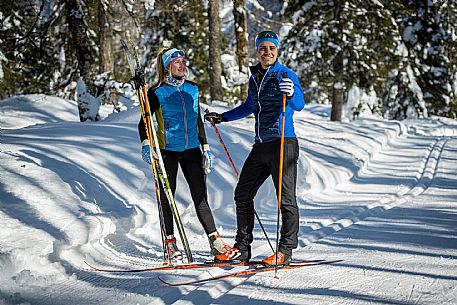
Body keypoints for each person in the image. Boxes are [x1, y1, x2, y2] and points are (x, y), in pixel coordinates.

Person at [205, 30, 305, 266]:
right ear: (257, 51)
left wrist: (290, 93)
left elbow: (299, 103)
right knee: (242, 193)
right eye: (262, 48)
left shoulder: (285, 74)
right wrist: (224, 117)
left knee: (286, 199)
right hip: (261, 145)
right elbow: (250, 105)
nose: (266, 52)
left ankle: (285, 251)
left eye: (271, 48)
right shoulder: (255, 78)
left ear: (277, 50)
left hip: (283, 142)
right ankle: (243, 248)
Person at [138, 47, 233, 261]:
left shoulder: (192, 89)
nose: (182, 65)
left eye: (183, 61)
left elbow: (197, 119)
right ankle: (170, 242)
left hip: (192, 151)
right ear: (167, 67)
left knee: (201, 197)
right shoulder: (156, 92)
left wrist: (205, 147)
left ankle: (215, 242)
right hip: (167, 152)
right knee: (167, 197)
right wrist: (146, 144)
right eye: (177, 62)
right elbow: (143, 123)